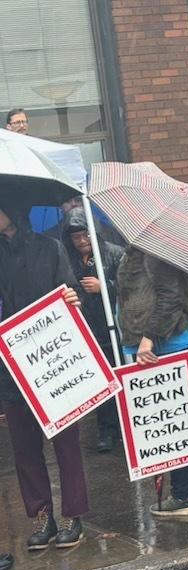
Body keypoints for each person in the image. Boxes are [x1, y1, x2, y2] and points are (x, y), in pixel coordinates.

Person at [0, 198, 87, 550]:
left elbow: (70, 290)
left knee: (65, 441)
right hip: (9, 362)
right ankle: (41, 513)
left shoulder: (49, 248)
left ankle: (72, 513)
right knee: (23, 444)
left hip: (52, 360)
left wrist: (72, 296)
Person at [116, 245, 188, 515]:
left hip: (163, 344)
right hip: (165, 342)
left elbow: (169, 298)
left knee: (172, 423)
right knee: (180, 418)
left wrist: (149, 338)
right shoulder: (145, 249)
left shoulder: (155, 252)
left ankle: (183, 494)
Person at [61, 207, 124, 452]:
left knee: (123, 379)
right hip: (89, 331)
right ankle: (106, 431)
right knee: (100, 385)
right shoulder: (68, 260)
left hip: (116, 330)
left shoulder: (115, 254)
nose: (80, 241)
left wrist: (105, 286)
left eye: (84, 235)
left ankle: (127, 426)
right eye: (75, 237)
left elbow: (131, 288)